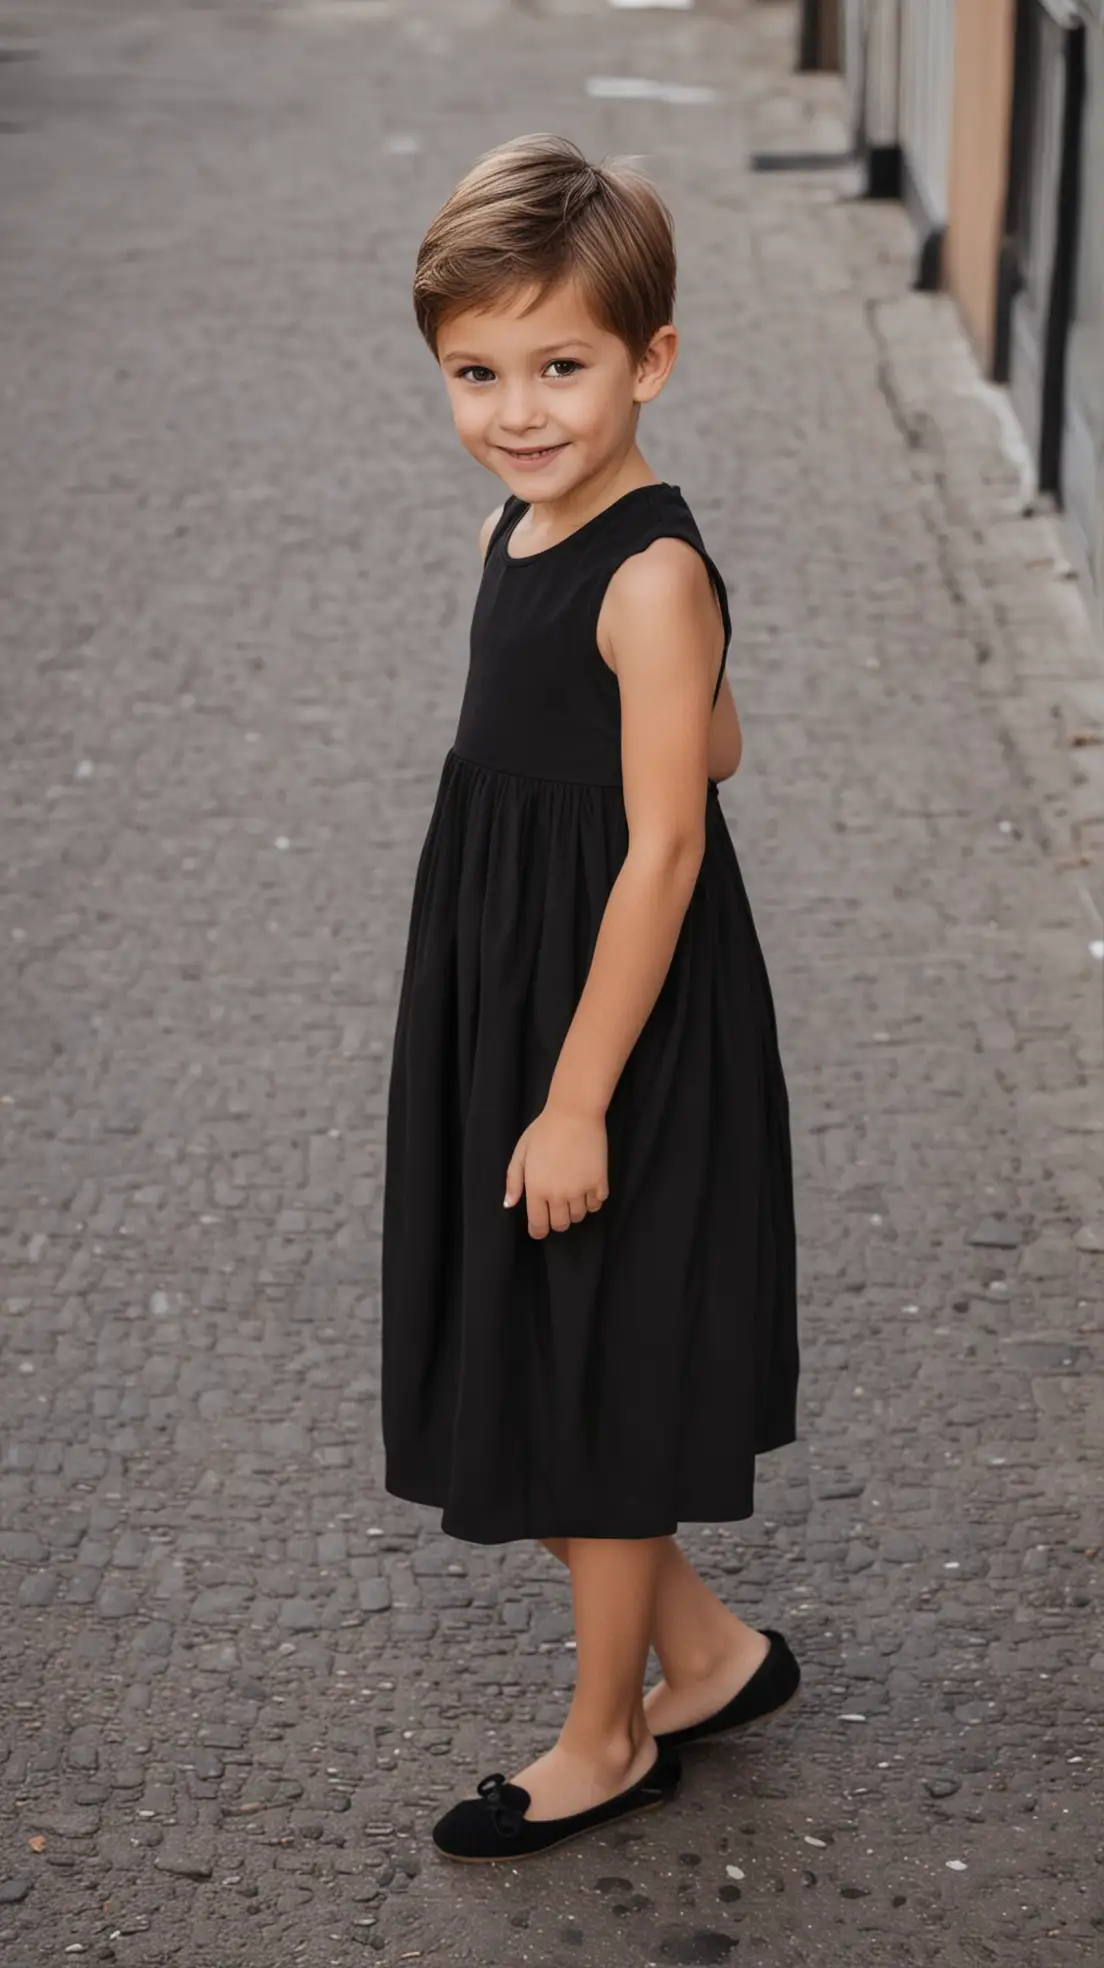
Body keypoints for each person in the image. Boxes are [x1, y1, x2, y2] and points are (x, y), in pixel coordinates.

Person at [381, 133, 800, 1863]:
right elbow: (720, 741)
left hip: (608, 1008)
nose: (519, 411)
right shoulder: (518, 518)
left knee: (598, 1365)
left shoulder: (649, 571)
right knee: (522, 1348)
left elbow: (668, 850)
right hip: (511, 968)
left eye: (563, 367)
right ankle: (706, 1654)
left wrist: (572, 1095)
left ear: (653, 362)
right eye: (476, 372)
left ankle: (607, 1733)